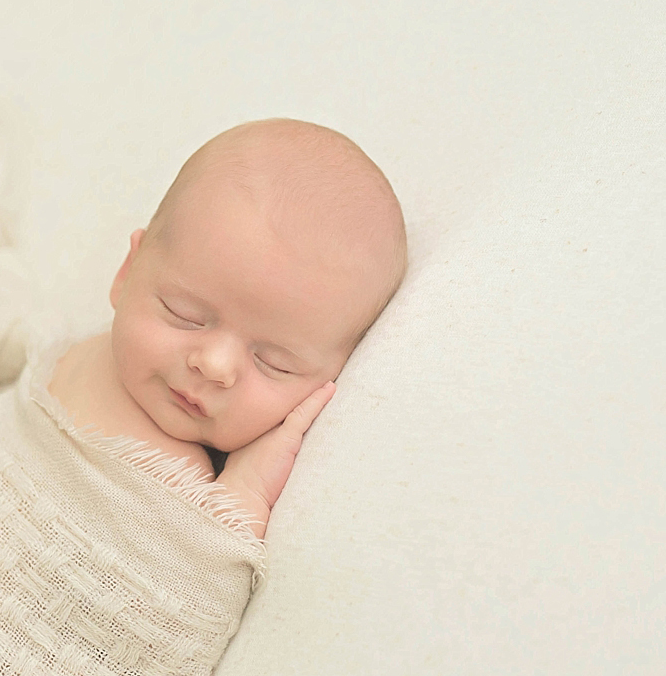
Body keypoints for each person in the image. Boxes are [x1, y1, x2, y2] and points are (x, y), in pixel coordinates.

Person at [47, 118, 407, 539]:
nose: (214, 366)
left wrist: (245, 494)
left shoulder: (199, 503)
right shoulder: (66, 356)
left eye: (273, 363)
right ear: (127, 273)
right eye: (184, 314)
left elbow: (179, 599)